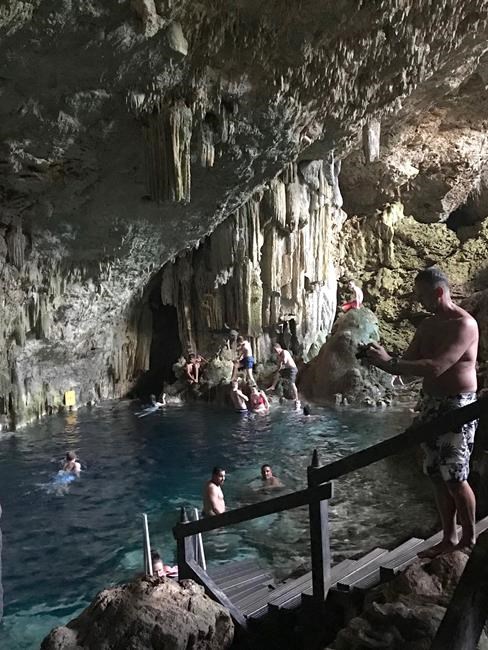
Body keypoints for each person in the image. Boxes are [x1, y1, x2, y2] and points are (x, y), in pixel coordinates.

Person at [366, 267, 479, 558]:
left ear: (439, 292)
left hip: (458, 405)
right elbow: (406, 365)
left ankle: (469, 539)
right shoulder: (427, 326)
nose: (419, 302)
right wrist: (379, 358)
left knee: (456, 475)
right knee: (435, 474)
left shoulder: (464, 325)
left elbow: (437, 366)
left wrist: (390, 362)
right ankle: (449, 537)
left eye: (422, 296)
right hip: (430, 402)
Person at [267, 343, 300, 409]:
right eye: (274, 351)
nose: (275, 352)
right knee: (278, 374)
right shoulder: (279, 355)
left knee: (292, 383)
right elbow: (279, 365)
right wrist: (278, 369)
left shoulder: (285, 352)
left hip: (292, 369)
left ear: (279, 348)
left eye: (276, 350)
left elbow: (285, 361)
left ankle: (297, 399)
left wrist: (280, 362)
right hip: (286, 369)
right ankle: (273, 386)